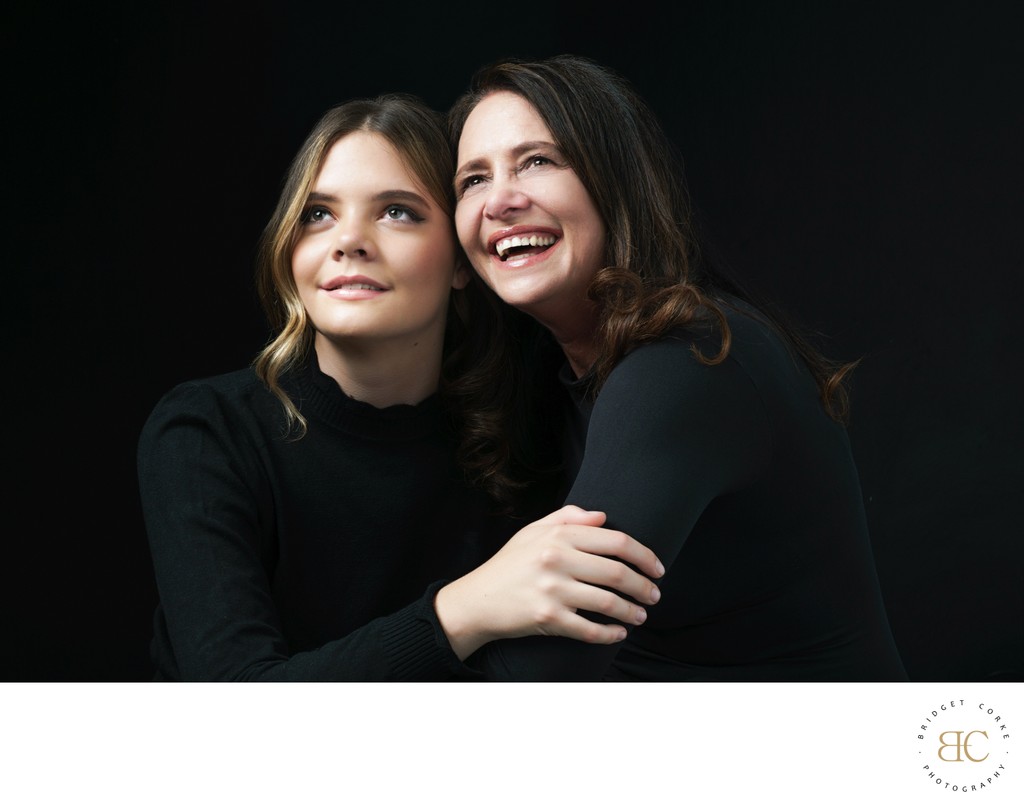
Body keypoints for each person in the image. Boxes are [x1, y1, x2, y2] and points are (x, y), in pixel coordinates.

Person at [136, 93, 663, 682]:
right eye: (318, 214)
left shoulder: (526, 427)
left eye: (397, 212)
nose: (349, 240)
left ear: (464, 258)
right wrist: (462, 610)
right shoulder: (207, 432)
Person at [448, 55, 908, 681]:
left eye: (538, 160)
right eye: (473, 179)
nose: (500, 199)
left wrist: (448, 615)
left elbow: (545, 669)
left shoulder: (687, 362)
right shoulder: (554, 375)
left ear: (616, 181)